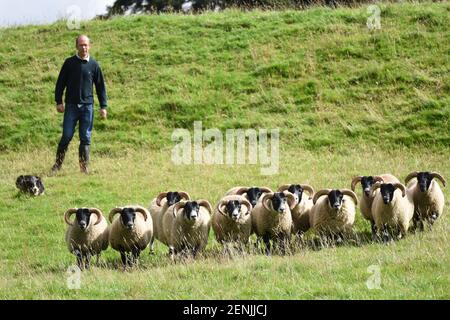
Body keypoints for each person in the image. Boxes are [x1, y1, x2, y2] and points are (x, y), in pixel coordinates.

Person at [51, 35, 108, 175]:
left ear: (90, 46)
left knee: (85, 138)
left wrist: (103, 106)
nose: (84, 47)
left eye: (86, 45)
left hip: (88, 107)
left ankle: (84, 168)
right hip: (71, 106)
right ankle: (57, 166)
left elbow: (100, 87)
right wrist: (59, 101)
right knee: (66, 135)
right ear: (76, 46)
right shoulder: (69, 63)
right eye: (81, 45)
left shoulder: (94, 65)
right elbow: (60, 83)